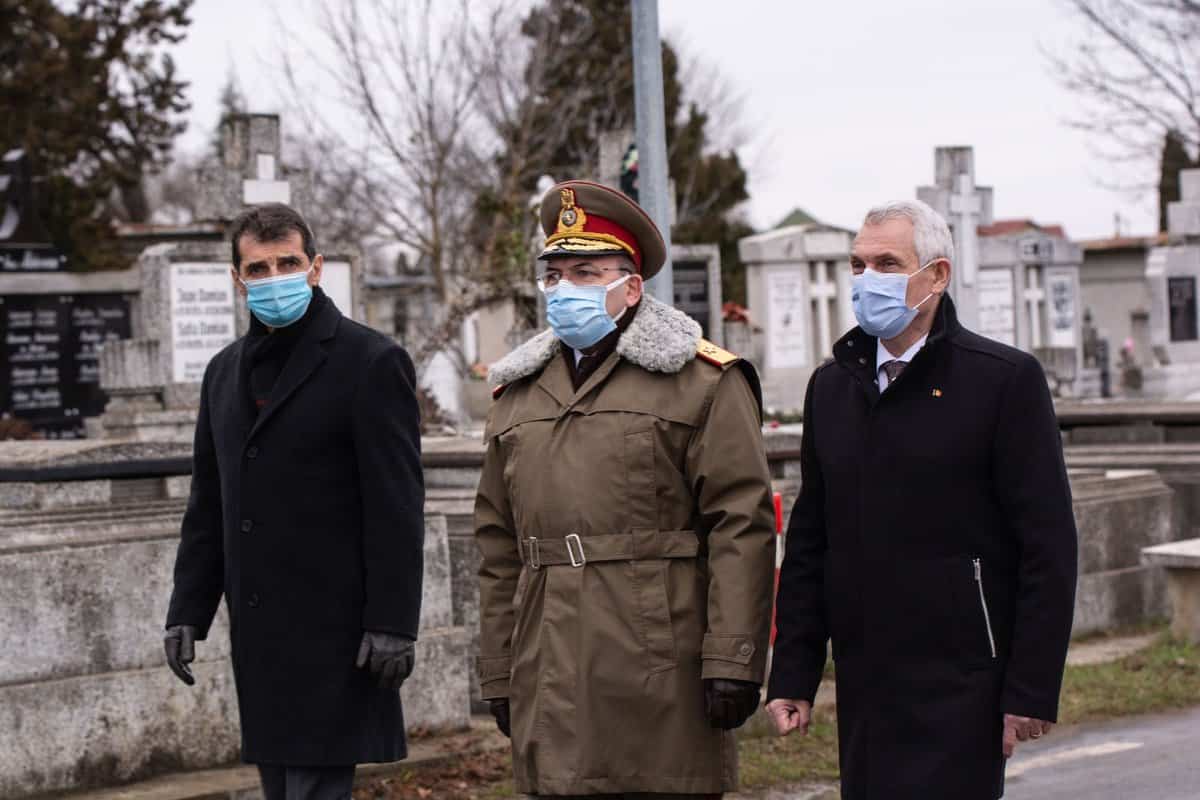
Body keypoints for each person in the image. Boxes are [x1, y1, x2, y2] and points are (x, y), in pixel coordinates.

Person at [766, 200, 1079, 800]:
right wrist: (795, 673)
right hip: (867, 681)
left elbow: (1048, 545)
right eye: (857, 264)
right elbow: (811, 541)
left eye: (887, 263)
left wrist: (1031, 689)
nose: (866, 279)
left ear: (936, 276)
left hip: (963, 681)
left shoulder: (1003, 381)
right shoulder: (832, 387)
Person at [475, 180, 776, 799]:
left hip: (658, 665)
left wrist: (733, 659)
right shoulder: (519, 394)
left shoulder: (701, 381)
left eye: (585, 272)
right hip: (549, 661)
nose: (564, 290)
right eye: (555, 275)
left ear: (631, 286)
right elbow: (498, 544)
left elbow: (740, 523)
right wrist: (499, 667)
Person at [163, 203, 425, 800]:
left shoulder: (369, 361)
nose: (274, 277)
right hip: (261, 635)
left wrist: (393, 623)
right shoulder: (223, 371)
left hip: (338, 634)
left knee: (315, 789)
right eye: (258, 268)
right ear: (238, 280)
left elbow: (397, 504)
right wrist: (188, 608)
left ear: (315, 268)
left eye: (288, 262)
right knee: (281, 788)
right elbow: (210, 501)